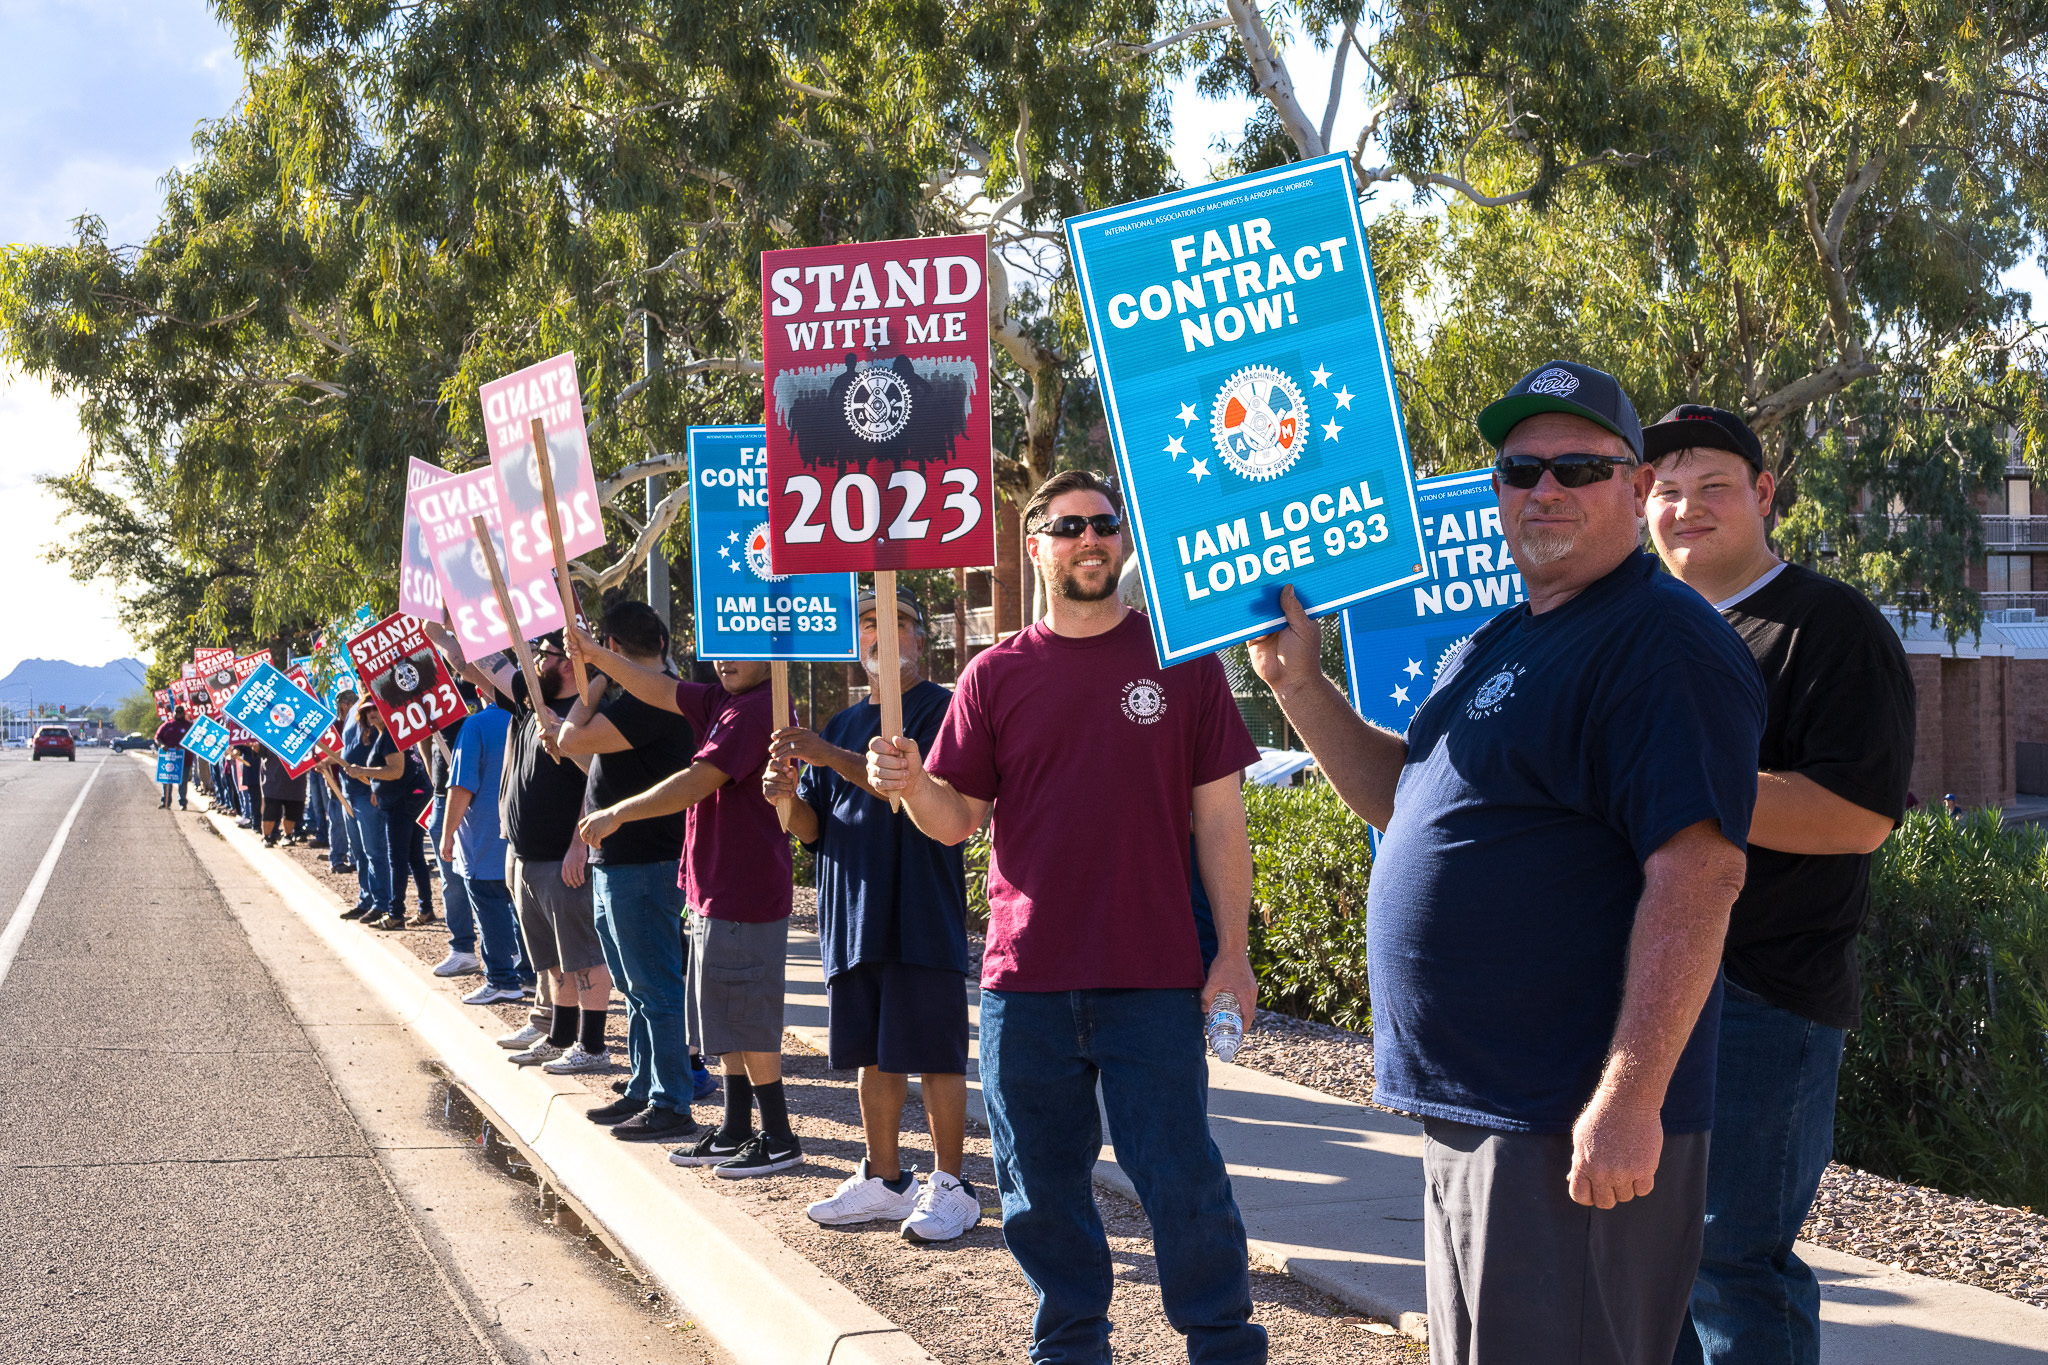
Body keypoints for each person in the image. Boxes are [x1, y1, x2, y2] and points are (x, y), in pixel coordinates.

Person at [1245, 360, 1766, 1365]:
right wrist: (1299, 687)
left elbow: (1699, 876)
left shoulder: (1663, 646)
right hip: (1479, 1110)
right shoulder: (1493, 640)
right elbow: (1404, 805)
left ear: (1630, 485)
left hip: (1564, 1121)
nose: (1544, 490)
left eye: (1577, 467)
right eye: (1518, 472)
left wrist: (1626, 1099)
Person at [867, 469, 1267, 1364]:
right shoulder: (995, 673)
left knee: (1181, 1179)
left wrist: (1232, 953)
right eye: (1069, 526)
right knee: (1040, 1190)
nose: (1090, 540)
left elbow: (1221, 820)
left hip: (1154, 974)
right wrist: (910, 786)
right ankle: (1072, 1346)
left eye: (1104, 525)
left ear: (1122, 541)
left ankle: (1223, 1343)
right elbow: (955, 818)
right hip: (1028, 980)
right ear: (1036, 544)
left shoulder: (1184, 661)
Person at [1641, 404, 1915, 1365]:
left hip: (1761, 997)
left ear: (1763, 493)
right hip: (1636, 993)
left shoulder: (1828, 625)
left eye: (1712, 485)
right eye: (1665, 490)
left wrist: (1681, 790)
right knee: (1650, 1260)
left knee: (1731, 1264)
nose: (1686, 507)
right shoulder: (1636, 625)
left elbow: (1857, 814)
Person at [768, 588, 980, 1242]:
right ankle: (886, 1179)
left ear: (921, 639)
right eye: (866, 623)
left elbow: (907, 787)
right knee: (874, 1055)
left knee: (936, 1054)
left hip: (920, 906)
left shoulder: (944, 710)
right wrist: (782, 796)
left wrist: (828, 756)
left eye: (897, 621)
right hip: (853, 911)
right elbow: (812, 826)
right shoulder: (836, 726)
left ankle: (953, 1184)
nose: (881, 634)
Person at [567, 629, 798, 1175]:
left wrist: (618, 813)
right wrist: (600, 654)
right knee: (722, 1019)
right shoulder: (727, 699)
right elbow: (660, 690)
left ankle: (780, 1136)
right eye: (719, 648)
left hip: (746, 887)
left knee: (748, 1018)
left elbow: (698, 781)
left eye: (739, 649)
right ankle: (737, 1126)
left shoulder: (761, 706)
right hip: (713, 886)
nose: (724, 661)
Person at [557, 602, 701, 1126]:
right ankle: (644, 1087)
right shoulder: (649, 695)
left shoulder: (649, 703)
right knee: (634, 985)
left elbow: (569, 738)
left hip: (643, 863)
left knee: (654, 986)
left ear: (613, 648)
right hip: (620, 860)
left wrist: (593, 677)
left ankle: (670, 1102)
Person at [441, 699, 531, 1007]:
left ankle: (502, 980)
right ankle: (529, 976)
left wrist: (446, 834)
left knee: (490, 913)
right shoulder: (533, 717)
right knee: (522, 915)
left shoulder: (476, 725)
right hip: (523, 838)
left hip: (484, 840)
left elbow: (462, 786)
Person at [426, 702, 480, 978]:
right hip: (440, 798)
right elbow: (423, 738)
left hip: (475, 795)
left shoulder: (472, 686)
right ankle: (463, 950)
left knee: (485, 879)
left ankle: (507, 952)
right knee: (452, 882)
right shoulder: (427, 689)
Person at [258, 750, 306, 846]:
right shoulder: (269, 735)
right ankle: (267, 836)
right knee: (270, 810)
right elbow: (259, 750)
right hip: (273, 778)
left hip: (295, 778)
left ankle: (288, 835)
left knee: (292, 811)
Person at [153, 706, 191, 809]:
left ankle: (182, 803)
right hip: (168, 759)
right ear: (173, 713)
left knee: (182, 782)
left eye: (181, 713)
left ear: (183, 713)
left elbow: (193, 739)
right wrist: (161, 745)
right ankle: (166, 801)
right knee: (166, 781)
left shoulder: (189, 726)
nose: (178, 714)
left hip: (184, 759)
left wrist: (183, 747)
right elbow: (157, 738)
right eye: (176, 712)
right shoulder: (166, 725)